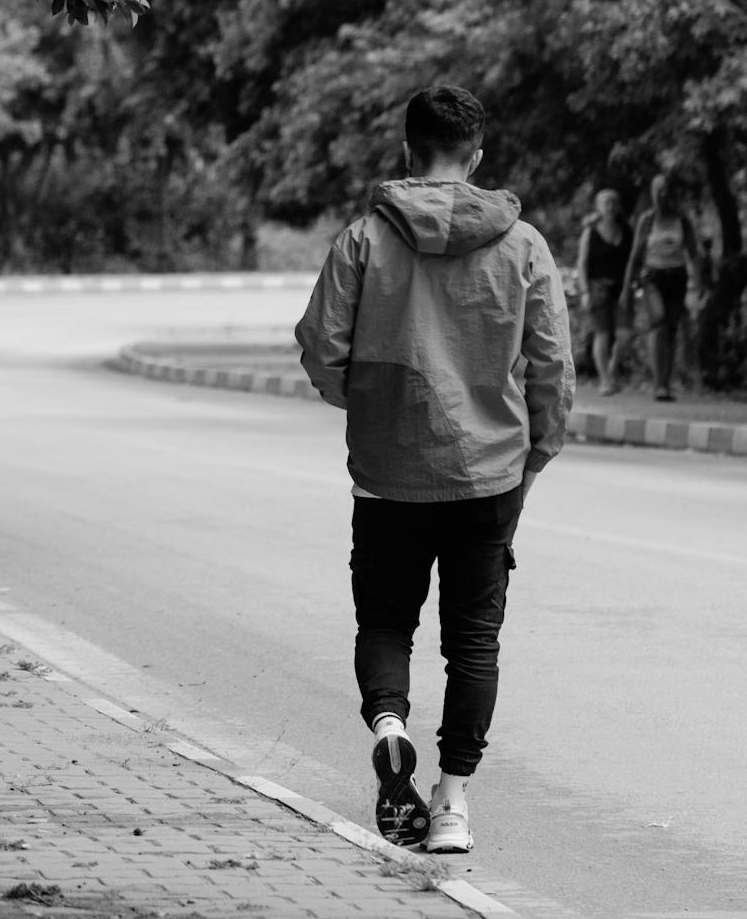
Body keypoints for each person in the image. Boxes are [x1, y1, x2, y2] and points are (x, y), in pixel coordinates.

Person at [295, 85, 575, 855]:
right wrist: (533, 457)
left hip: (389, 472)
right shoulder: (524, 247)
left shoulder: (363, 240)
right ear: (477, 157)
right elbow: (553, 369)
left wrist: (365, 404)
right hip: (490, 475)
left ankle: (389, 724)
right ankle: (451, 806)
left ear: (405, 150)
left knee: (387, 622)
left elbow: (321, 345)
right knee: (473, 642)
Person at [621, 171, 701, 402]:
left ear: (672, 193)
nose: (661, 195)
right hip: (652, 276)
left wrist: (698, 284)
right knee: (658, 321)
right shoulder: (647, 220)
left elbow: (694, 253)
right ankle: (658, 384)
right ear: (652, 194)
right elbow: (635, 256)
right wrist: (627, 290)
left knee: (672, 328)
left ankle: (666, 383)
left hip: (677, 276)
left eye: (665, 190)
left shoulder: (682, 220)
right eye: (657, 190)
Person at [575, 187, 633, 396]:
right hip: (597, 288)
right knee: (603, 335)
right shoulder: (590, 232)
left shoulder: (626, 231)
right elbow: (582, 264)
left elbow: (632, 261)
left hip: (622, 288)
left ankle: (612, 369)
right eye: (605, 203)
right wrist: (585, 292)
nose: (610, 207)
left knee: (625, 335)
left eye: (613, 202)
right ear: (598, 207)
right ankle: (606, 380)